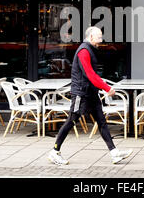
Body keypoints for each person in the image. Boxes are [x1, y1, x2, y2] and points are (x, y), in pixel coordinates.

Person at [48, 26, 132, 165]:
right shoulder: (84, 51)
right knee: (72, 120)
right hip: (81, 93)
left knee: (102, 122)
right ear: (91, 37)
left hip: (91, 93)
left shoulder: (90, 49)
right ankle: (54, 151)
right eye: (98, 37)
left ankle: (114, 153)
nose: (101, 40)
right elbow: (90, 74)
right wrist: (106, 88)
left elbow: (92, 75)